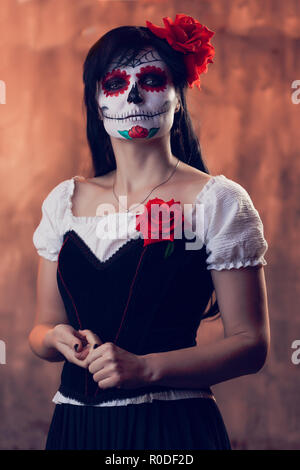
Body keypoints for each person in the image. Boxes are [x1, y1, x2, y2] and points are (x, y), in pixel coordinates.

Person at [29, 14, 270, 450]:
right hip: (73, 430)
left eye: (153, 78)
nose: (135, 93)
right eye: (117, 82)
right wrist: (54, 338)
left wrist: (146, 368)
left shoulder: (218, 200)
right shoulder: (63, 201)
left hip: (172, 429)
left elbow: (251, 344)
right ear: (97, 99)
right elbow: (42, 329)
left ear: (179, 96)